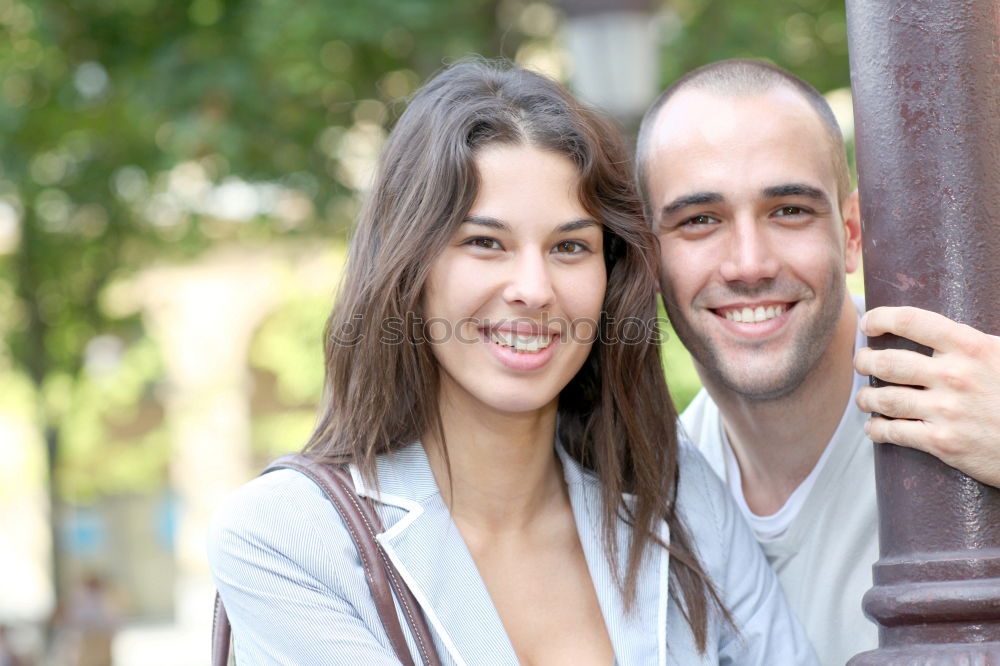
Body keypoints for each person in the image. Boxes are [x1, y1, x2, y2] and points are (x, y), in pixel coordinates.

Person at [208, 60, 817, 665]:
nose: (534, 288)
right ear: (409, 269)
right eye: (485, 243)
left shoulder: (673, 493)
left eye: (570, 246)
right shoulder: (287, 538)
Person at [636, 58, 1000, 665]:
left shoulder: (979, 392)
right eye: (700, 221)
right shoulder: (654, 503)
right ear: (647, 260)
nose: (749, 264)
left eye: (789, 210)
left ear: (852, 231)